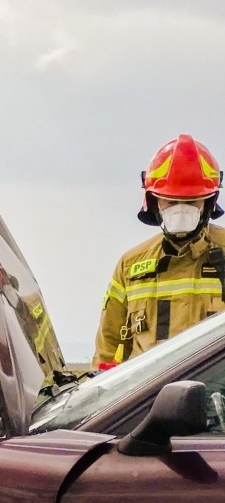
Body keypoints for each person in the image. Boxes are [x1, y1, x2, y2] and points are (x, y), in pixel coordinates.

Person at [94, 134, 225, 370]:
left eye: (192, 201)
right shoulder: (130, 265)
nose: (180, 211)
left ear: (209, 202)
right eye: (170, 201)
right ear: (154, 202)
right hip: (148, 402)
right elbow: (108, 348)